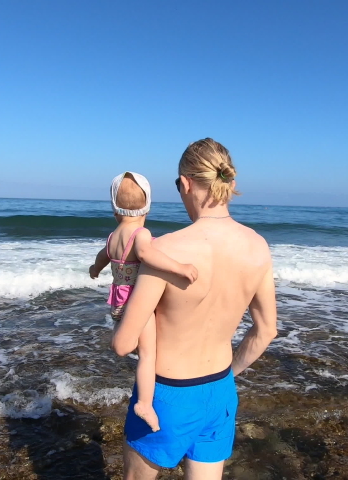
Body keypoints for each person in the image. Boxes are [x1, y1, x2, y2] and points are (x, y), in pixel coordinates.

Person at [112, 139, 277, 479]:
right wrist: (230, 373)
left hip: (167, 394)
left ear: (186, 182)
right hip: (220, 391)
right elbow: (265, 331)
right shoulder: (258, 246)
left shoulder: (167, 250)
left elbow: (124, 344)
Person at [90, 171, 199, 432]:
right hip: (137, 301)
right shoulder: (140, 234)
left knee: (137, 343)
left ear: (114, 209)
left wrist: (95, 269)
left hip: (117, 300)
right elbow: (147, 254)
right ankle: (145, 403)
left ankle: (127, 342)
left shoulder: (113, 236)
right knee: (148, 355)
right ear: (147, 207)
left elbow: (102, 257)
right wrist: (179, 267)